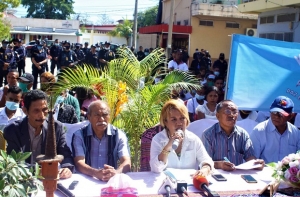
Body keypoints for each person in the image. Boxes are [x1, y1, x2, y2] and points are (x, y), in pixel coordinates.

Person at [3, 90, 74, 179]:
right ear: (25, 111)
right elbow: (15, 161)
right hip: (23, 179)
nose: (41, 115)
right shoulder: (13, 130)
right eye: (36, 111)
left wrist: (67, 167)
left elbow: (65, 153)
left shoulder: (56, 127)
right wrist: (37, 170)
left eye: (44, 110)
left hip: (51, 178)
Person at [150, 99, 214, 175]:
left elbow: (206, 160)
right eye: (174, 119)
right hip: (167, 184)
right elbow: (155, 168)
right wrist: (168, 146)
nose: (179, 123)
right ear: (165, 122)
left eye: (182, 118)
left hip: (189, 183)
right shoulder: (158, 139)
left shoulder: (193, 139)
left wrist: (205, 169)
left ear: (187, 120)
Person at [71, 101, 131, 181]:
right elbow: (79, 162)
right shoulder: (79, 135)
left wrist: (115, 173)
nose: (101, 119)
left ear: (109, 116)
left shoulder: (119, 135)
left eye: (105, 115)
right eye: (97, 115)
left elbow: (126, 162)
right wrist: (95, 173)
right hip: (86, 181)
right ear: (89, 117)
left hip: (111, 182)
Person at [201, 100, 265, 171]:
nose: (231, 115)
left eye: (235, 112)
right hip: (216, 175)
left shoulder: (243, 134)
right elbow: (205, 162)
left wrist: (256, 163)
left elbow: (249, 156)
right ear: (218, 116)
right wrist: (221, 165)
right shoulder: (208, 135)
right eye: (227, 111)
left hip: (237, 174)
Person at [251, 96, 300, 163]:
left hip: (287, 173)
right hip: (264, 173)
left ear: (291, 116)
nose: (276, 116)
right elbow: (252, 159)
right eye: (274, 112)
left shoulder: (296, 133)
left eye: (281, 114)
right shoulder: (259, 131)